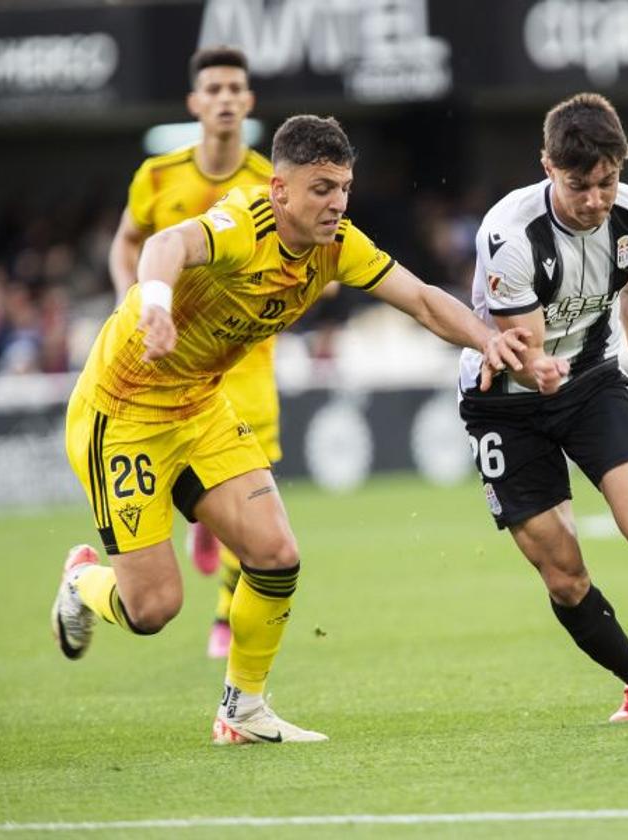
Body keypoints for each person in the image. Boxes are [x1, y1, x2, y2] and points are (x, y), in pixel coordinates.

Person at [52, 114, 528, 745]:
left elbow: (422, 300)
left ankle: (242, 713)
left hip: (199, 407)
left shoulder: (338, 246)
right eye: (321, 188)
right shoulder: (244, 224)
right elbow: (164, 246)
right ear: (279, 189)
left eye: (344, 187)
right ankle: (82, 582)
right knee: (153, 609)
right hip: (124, 414)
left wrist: (492, 342)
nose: (336, 203)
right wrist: (158, 308)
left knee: (277, 557)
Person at [458, 93, 628, 723]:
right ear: (548, 167)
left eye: (608, 181)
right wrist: (534, 366)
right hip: (505, 404)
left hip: (593, 379)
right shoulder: (510, 235)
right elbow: (522, 344)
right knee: (564, 575)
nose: (597, 200)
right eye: (580, 186)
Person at [108, 46, 274, 659]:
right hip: (166, 358)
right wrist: (137, 301)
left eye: (236, 88)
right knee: (199, 479)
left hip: (246, 363)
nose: (226, 98)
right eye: (215, 89)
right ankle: (202, 522)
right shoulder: (158, 175)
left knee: (253, 492)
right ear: (195, 103)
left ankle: (227, 618)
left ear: (249, 101)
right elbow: (125, 243)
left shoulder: (269, 182)